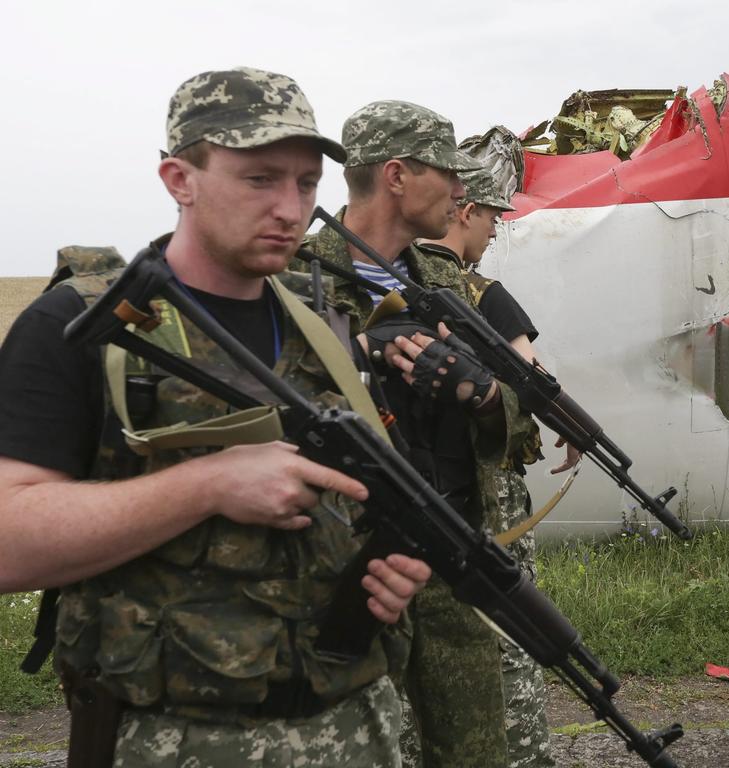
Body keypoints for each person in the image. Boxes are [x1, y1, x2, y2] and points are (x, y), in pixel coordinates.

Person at [0, 68, 431, 768]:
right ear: (179, 178)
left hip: (358, 730)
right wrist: (207, 486)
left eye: (305, 183)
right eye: (260, 179)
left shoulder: (326, 321)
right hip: (171, 741)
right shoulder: (82, 325)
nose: (290, 209)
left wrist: (392, 567)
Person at [306, 100, 537, 768]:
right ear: (398, 177)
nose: (462, 192)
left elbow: (523, 406)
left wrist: (485, 391)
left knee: (474, 751)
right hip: (352, 573)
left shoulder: (450, 285)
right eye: (448, 173)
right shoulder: (300, 275)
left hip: (452, 559)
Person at [418, 167, 570, 768]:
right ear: (464, 211)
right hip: (487, 487)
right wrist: (573, 434)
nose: (493, 231)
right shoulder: (483, 295)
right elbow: (531, 381)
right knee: (510, 627)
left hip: (418, 485)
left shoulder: (384, 281)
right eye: (491, 218)